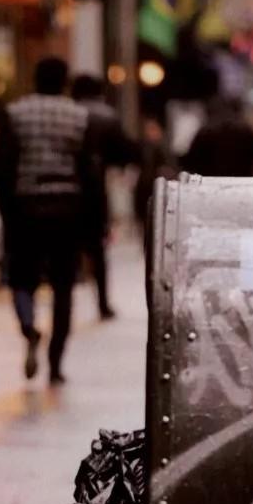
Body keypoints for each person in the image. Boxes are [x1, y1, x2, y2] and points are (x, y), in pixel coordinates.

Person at [0, 57, 96, 385]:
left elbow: (3, 166)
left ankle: (28, 327)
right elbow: (88, 171)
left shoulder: (16, 113)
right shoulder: (78, 116)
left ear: (34, 78)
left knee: (22, 278)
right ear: (65, 82)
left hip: (26, 208)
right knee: (64, 288)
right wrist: (91, 220)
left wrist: (6, 209)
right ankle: (55, 363)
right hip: (67, 209)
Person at [72, 73, 138, 320]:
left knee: (68, 246)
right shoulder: (107, 116)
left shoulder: (69, 113)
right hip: (95, 189)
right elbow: (126, 153)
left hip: (68, 187)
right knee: (98, 247)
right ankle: (102, 302)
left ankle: (67, 294)